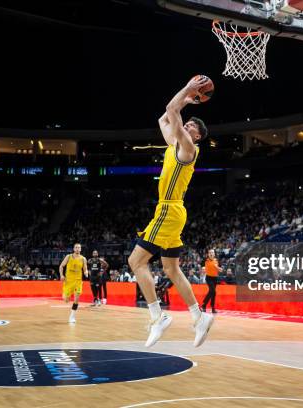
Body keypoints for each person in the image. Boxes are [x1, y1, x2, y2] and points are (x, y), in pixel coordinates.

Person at [128, 76, 214, 348]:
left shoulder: (189, 148)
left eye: (190, 126)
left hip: (168, 211)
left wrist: (186, 92)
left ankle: (157, 317)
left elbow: (172, 111)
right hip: (173, 212)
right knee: (171, 269)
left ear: (196, 136)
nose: (185, 125)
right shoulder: (173, 145)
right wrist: (185, 99)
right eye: (186, 123)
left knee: (136, 262)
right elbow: (164, 119)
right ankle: (199, 318)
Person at [59, 243, 88, 324]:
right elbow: (61, 266)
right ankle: (66, 296)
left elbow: (85, 269)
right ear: (73, 249)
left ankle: (72, 316)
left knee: (76, 299)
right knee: (66, 300)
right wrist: (61, 275)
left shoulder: (83, 259)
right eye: (76, 247)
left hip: (78, 281)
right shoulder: (68, 256)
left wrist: (86, 272)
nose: (77, 249)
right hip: (68, 281)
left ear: (81, 249)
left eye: (79, 247)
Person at [202, 249, 222, 313]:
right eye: (210, 252)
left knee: (212, 292)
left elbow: (220, 269)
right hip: (208, 278)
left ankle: (211, 308)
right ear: (208, 254)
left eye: (212, 252)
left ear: (214, 254)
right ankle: (204, 304)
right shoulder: (205, 260)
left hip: (215, 278)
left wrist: (219, 268)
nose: (211, 253)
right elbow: (204, 267)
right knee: (213, 291)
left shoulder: (217, 260)